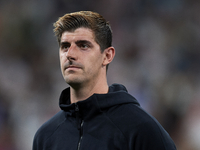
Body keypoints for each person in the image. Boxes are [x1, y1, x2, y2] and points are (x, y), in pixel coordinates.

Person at [32, 11, 177, 150]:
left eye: (83, 45)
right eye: (65, 46)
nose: (70, 54)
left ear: (107, 56)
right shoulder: (45, 137)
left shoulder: (140, 129)